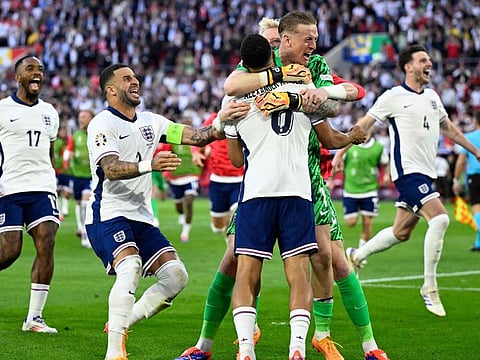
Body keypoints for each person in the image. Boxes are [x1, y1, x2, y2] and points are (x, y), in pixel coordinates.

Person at [224, 11, 389, 360]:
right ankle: (290, 345)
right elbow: (331, 124)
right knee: (281, 267)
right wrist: (299, 93)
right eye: (307, 38)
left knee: (325, 259)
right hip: (297, 186)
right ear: (278, 45)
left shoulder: (244, 98)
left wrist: (308, 95)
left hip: (270, 187)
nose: (313, 45)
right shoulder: (290, 81)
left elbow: (347, 92)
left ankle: (273, 343)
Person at [85, 63, 247, 360]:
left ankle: (122, 321)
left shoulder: (152, 121)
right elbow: (109, 169)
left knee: (176, 277)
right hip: (107, 212)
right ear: (110, 90)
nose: (135, 82)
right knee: (130, 266)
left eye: (135, 77)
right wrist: (151, 165)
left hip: (141, 216)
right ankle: (114, 354)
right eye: (126, 79)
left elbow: (198, 137)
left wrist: (222, 122)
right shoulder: (102, 124)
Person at [339, 44, 480, 318]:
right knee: (439, 219)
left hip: (427, 174)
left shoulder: (432, 97)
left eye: (429, 60)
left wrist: (475, 150)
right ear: (408, 66)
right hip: (407, 173)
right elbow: (364, 126)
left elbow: (449, 128)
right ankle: (429, 286)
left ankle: (356, 255)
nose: (429, 64)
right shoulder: (392, 96)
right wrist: (341, 152)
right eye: (423, 60)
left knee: (401, 232)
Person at [226, 33, 320, 360]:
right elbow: (328, 129)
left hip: (257, 194)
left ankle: (246, 350)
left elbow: (236, 160)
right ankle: (297, 348)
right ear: (272, 53)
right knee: (298, 275)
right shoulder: (300, 87)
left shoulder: (235, 101)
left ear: (244, 62)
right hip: (297, 190)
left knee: (247, 273)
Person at [0, 55, 61, 333]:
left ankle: (34, 318)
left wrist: (52, 177)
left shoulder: (50, 112)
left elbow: (48, 151)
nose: (37, 73)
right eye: (30, 69)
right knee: (10, 251)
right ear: (18, 77)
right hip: (9, 188)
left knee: (46, 242)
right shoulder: (2, 109)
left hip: (42, 187)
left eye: (40, 70)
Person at [339, 129, 389, 249]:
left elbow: (386, 163)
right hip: (351, 189)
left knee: (367, 221)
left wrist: (387, 175)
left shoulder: (378, 147)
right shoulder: (348, 146)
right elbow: (339, 161)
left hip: (370, 189)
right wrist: (331, 179)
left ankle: (361, 252)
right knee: (351, 222)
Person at [158, 117, 202, 242]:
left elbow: (205, 153)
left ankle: (185, 232)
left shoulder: (198, 141)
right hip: (176, 177)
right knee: (178, 205)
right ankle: (181, 215)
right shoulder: (173, 141)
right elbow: (166, 155)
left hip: (192, 175)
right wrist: (166, 173)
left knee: (189, 201)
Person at [64, 109, 95, 248]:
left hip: (91, 176)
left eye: (84, 117)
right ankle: (81, 227)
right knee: (78, 203)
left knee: (85, 203)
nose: (81, 119)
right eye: (80, 117)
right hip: (77, 175)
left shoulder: (96, 134)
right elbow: (69, 150)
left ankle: (85, 233)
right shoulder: (75, 135)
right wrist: (68, 156)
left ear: (91, 118)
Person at [452, 111, 480, 251]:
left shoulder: (469, 138)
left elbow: (461, 161)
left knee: (476, 208)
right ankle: (478, 243)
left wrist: (456, 180)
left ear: (475, 121)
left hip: (475, 177)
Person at [54, 126, 73, 220]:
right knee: (57, 190)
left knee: (67, 191)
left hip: (68, 171)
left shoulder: (70, 141)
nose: (63, 133)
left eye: (64, 131)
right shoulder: (56, 142)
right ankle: (58, 209)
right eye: (61, 131)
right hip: (57, 170)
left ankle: (65, 209)